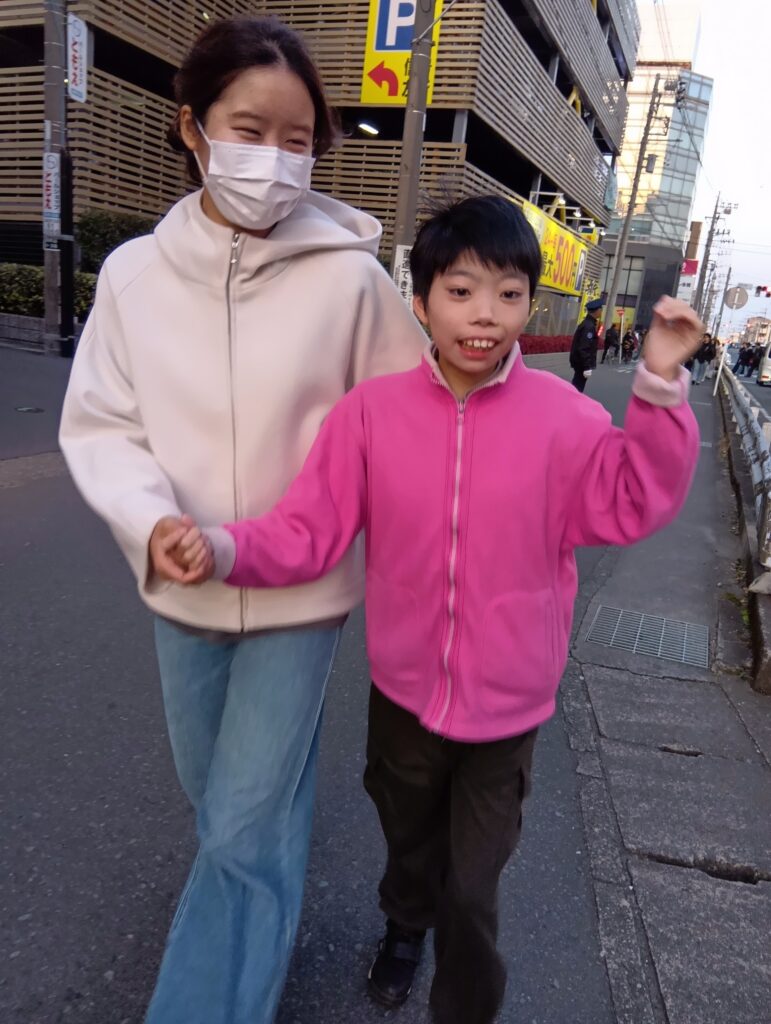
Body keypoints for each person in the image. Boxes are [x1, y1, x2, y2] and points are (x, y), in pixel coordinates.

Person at [167, 196, 702, 1024]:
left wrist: (660, 384)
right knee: (409, 839)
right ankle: (402, 923)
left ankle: (463, 1003)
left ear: (529, 304)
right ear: (419, 303)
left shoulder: (565, 419)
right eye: (460, 291)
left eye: (508, 294)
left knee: (475, 885)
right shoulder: (370, 415)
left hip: (508, 709)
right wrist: (221, 549)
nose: (485, 314)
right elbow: (309, 529)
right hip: (404, 694)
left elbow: (634, 498)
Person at [58, 16, 424, 1024]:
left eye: (297, 139)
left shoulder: (351, 282)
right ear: (193, 127)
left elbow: (414, 423)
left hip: (302, 595)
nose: (274, 158)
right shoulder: (133, 276)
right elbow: (103, 422)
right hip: (183, 585)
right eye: (249, 130)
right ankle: (258, 925)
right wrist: (150, 522)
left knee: (239, 825)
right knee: (227, 804)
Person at [569, 296, 604, 390]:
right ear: (597, 311)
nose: (601, 312)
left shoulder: (587, 323)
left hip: (579, 362)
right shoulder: (589, 326)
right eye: (601, 309)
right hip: (581, 363)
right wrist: (587, 367)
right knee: (577, 388)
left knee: (576, 386)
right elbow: (584, 347)